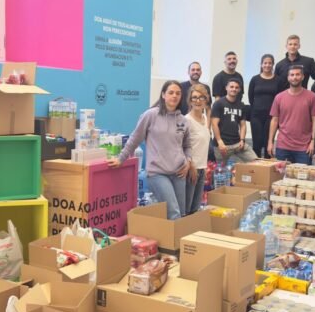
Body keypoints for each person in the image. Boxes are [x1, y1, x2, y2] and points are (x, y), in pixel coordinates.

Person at [109, 80, 192, 220]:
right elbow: (135, 138)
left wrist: (188, 162)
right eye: (171, 92)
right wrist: (120, 159)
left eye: (178, 93)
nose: (174, 96)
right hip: (157, 173)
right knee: (174, 213)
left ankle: (175, 241)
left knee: (182, 214)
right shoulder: (150, 115)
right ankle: (173, 243)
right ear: (163, 95)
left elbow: (187, 146)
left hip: (179, 172)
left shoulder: (183, 121)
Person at [267, 65, 315, 164]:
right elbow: (274, 121)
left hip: (304, 148)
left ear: (303, 77)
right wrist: (270, 142)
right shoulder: (279, 97)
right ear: (288, 78)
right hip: (283, 146)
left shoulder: (312, 97)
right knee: (281, 177)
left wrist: (313, 141)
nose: (294, 77)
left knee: (302, 178)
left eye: (297, 74)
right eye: (292, 75)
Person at [211, 78, 257, 164]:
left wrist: (242, 140)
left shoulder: (241, 105)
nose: (234, 89)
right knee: (222, 173)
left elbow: (243, 125)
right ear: (226, 88)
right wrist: (219, 141)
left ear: (239, 90)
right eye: (231, 87)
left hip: (237, 143)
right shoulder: (218, 103)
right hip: (222, 145)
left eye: (236, 87)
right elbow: (214, 124)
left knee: (255, 161)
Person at [184, 85, 211, 214]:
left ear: (206, 100)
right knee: (187, 209)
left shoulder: (205, 118)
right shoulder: (186, 120)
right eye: (194, 97)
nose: (198, 101)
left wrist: (203, 168)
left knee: (195, 209)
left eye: (201, 97)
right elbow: (182, 147)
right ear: (189, 101)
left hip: (202, 168)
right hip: (191, 169)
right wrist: (191, 166)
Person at [247, 54, 281, 157]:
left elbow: (280, 99)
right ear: (261, 64)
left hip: (271, 116)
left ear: (273, 64)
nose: (267, 65)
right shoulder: (255, 79)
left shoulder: (278, 80)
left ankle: (267, 169)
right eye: (265, 63)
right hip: (256, 115)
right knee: (256, 143)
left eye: (270, 63)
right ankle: (257, 169)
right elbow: (250, 97)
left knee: (268, 143)